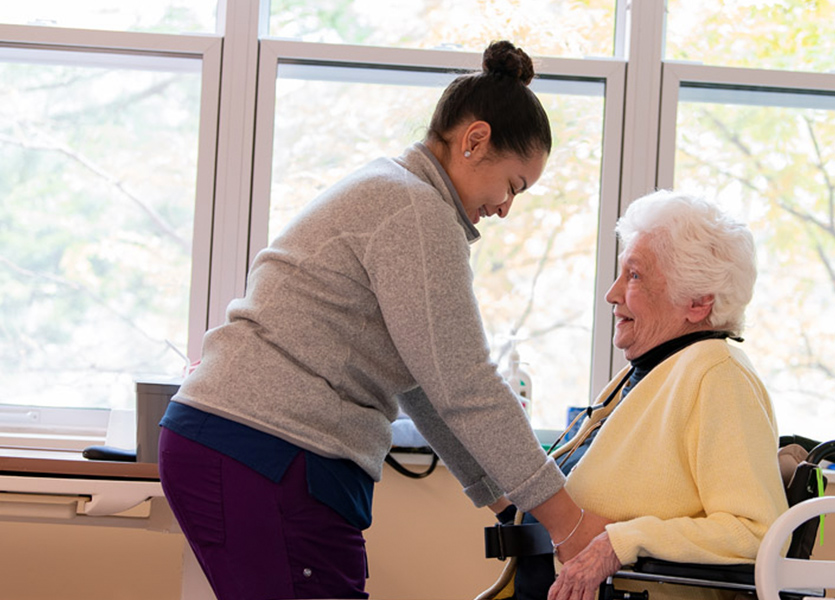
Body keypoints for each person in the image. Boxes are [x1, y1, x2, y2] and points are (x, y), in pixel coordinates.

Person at [157, 40, 602, 600]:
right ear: (475, 139)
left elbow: (425, 384)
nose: (506, 208)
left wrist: (506, 499)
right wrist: (570, 524)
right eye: (513, 185)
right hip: (266, 447)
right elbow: (465, 383)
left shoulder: (397, 193)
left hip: (240, 442)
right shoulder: (417, 212)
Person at [494, 190, 789, 600]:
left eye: (634, 276)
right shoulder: (648, 372)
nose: (612, 294)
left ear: (699, 301)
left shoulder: (717, 373)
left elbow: (756, 532)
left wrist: (620, 543)